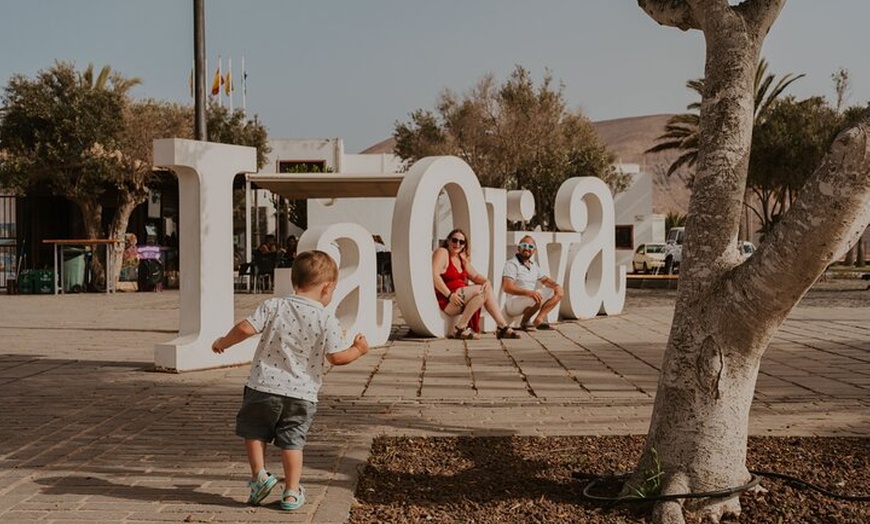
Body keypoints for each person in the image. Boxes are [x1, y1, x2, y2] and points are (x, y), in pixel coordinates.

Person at [212, 250, 369, 511]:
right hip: (301, 394)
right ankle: (291, 492)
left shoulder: (274, 305)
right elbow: (336, 357)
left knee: (253, 432)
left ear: (294, 280)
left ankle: (260, 475)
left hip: (262, 386)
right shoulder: (327, 318)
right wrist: (359, 350)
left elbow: (245, 328)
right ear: (327, 288)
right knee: (293, 442)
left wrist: (223, 342)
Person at [432, 228, 520, 340]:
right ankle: (501, 327)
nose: (457, 244)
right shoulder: (442, 252)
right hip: (447, 300)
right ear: (448, 241)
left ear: (464, 245)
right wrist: (449, 295)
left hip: (460, 298)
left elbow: (474, 276)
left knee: (485, 288)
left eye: (461, 242)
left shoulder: (461, 258)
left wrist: (486, 281)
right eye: (454, 240)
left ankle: (463, 327)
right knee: (482, 290)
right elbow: (434, 275)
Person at [502, 235, 564, 331]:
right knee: (536, 297)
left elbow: (545, 280)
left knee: (557, 291)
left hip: (529, 299)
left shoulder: (533, 265)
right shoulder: (512, 264)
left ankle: (539, 320)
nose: (527, 248)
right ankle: (525, 322)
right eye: (524, 245)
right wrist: (529, 293)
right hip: (513, 303)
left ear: (534, 251)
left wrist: (556, 286)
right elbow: (507, 287)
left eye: (530, 247)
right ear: (519, 248)